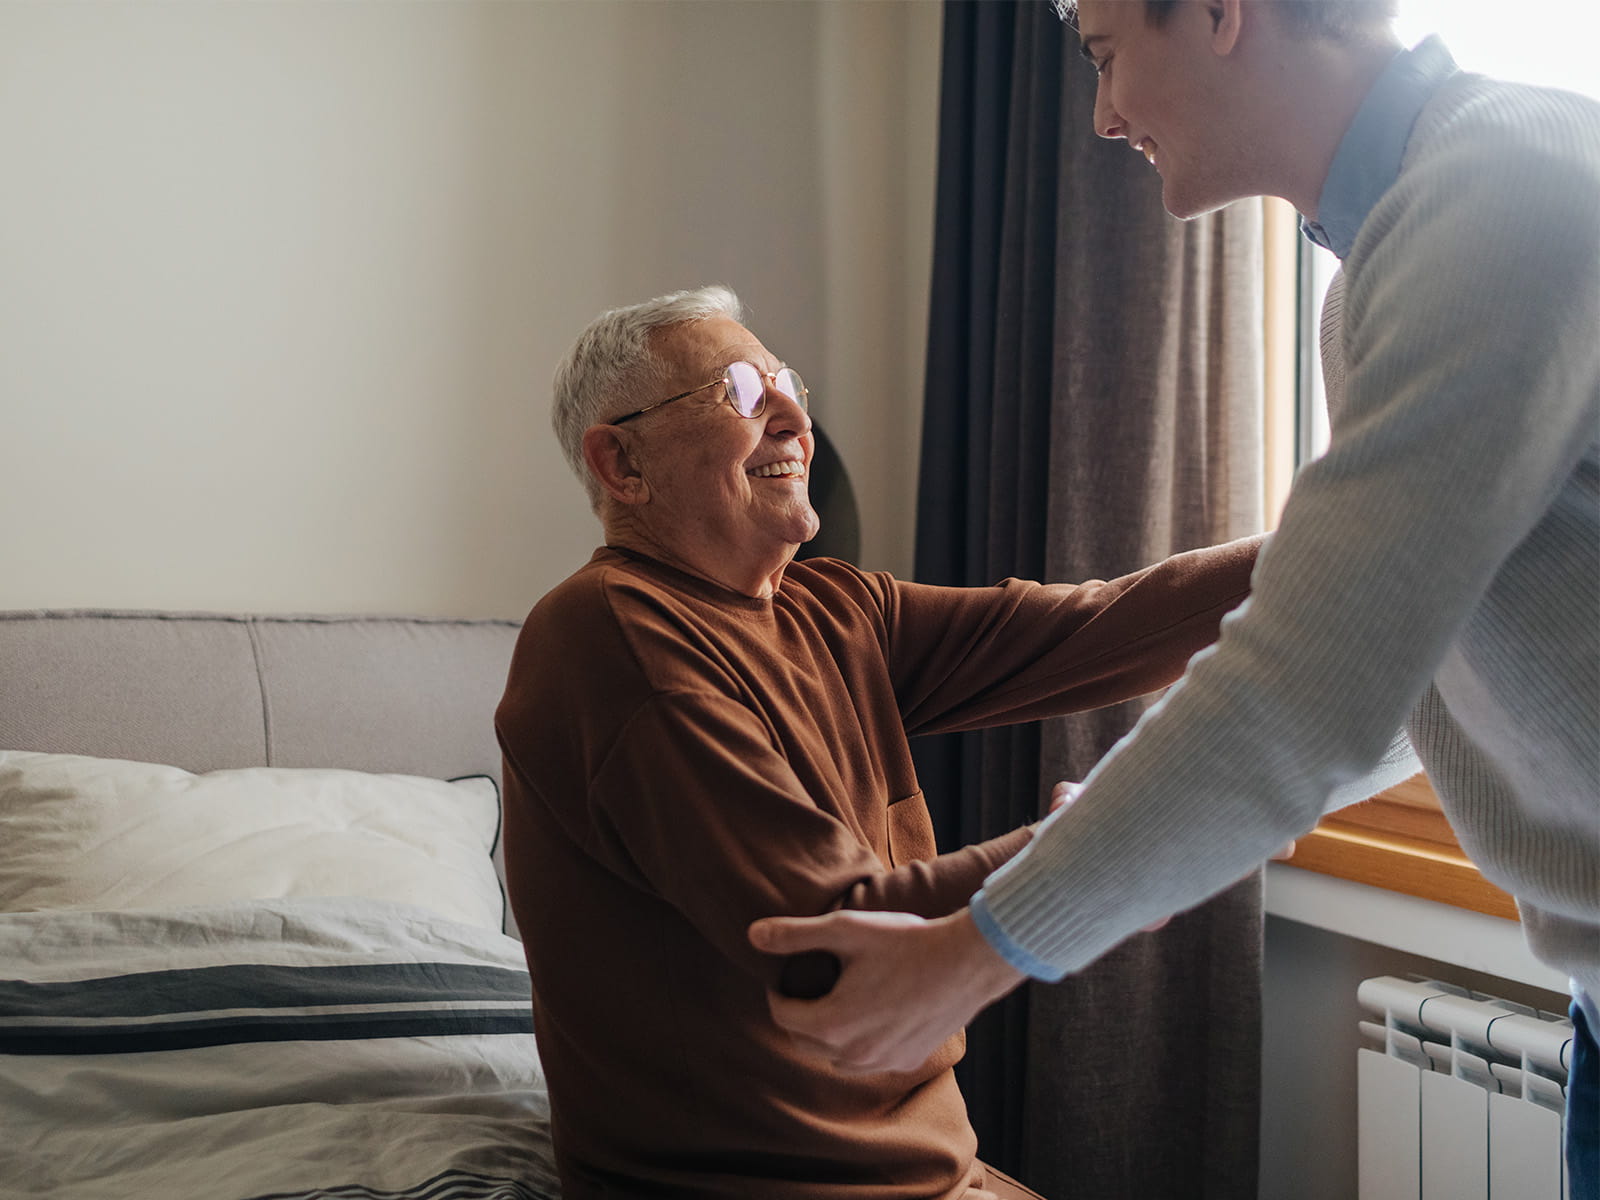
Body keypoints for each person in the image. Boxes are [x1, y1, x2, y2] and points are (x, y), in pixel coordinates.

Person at [748, 1, 1599, 1192]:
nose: (1100, 116)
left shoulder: (1500, 192)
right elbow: (1418, 656)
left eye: (1104, 59)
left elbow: (1310, 679)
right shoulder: (1387, 266)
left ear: (1217, 11)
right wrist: (1138, 833)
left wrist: (973, 950)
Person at [495, 283, 1265, 1199]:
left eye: (791, 387)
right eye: (741, 392)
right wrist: (1095, 851)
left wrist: (1353, 541)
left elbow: (1106, 628)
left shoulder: (830, 609)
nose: (791, 417)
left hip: (939, 1178)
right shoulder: (609, 635)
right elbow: (829, 940)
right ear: (620, 463)